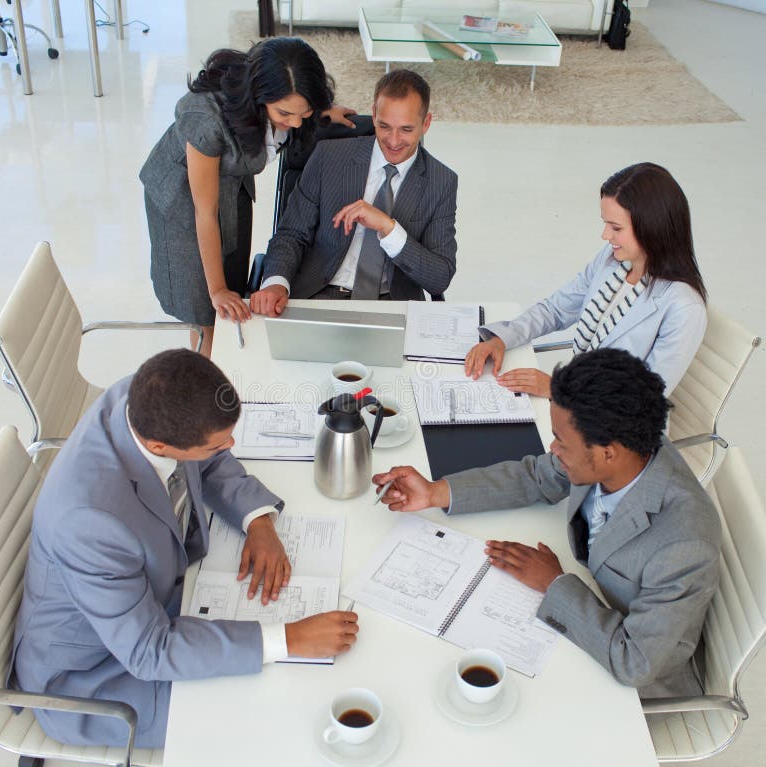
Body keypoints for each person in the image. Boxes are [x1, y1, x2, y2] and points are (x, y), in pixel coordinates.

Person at [11, 350, 359, 747]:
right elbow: (150, 652)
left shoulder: (142, 397)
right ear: (160, 447)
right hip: (96, 675)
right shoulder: (91, 523)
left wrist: (257, 520)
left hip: (159, 597)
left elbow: (206, 460)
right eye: (218, 444)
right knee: (279, 718)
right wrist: (288, 639)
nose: (229, 445)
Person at [373, 349, 720, 697]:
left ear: (607, 452)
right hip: (587, 615)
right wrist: (435, 493)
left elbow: (635, 662)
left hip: (623, 683)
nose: (552, 449)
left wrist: (554, 583)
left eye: (562, 442)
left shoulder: (684, 544)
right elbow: (537, 476)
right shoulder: (624, 443)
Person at [140, 39, 355, 356]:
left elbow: (296, 108)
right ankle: (208, 368)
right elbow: (204, 213)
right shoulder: (206, 119)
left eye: (304, 112)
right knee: (206, 305)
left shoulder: (288, 104)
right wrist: (217, 290)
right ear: (259, 94)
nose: (296, 123)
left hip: (231, 184)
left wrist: (322, 112)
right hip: (184, 201)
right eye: (285, 113)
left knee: (235, 281)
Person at [465, 162, 707, 398]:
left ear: (651, 227)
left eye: (616, 228)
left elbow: (646, 399)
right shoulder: (612, 260)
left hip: (618, 429)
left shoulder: (683, 307)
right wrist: (502, 339)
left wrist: (558, 389)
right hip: (577, 403)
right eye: (605, 224)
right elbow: (556, 309)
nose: (605, 235)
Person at [249, 68, 457, 314]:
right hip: (318, 295)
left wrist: (388, 228)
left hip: (392, 304)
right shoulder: (329, 157)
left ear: (426, 123)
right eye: (384, 126)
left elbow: (439, 278)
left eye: (406, 129)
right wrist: (276, 283)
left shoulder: (441, 181)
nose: (393, 140)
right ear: (373, 114)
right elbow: (291, 234)